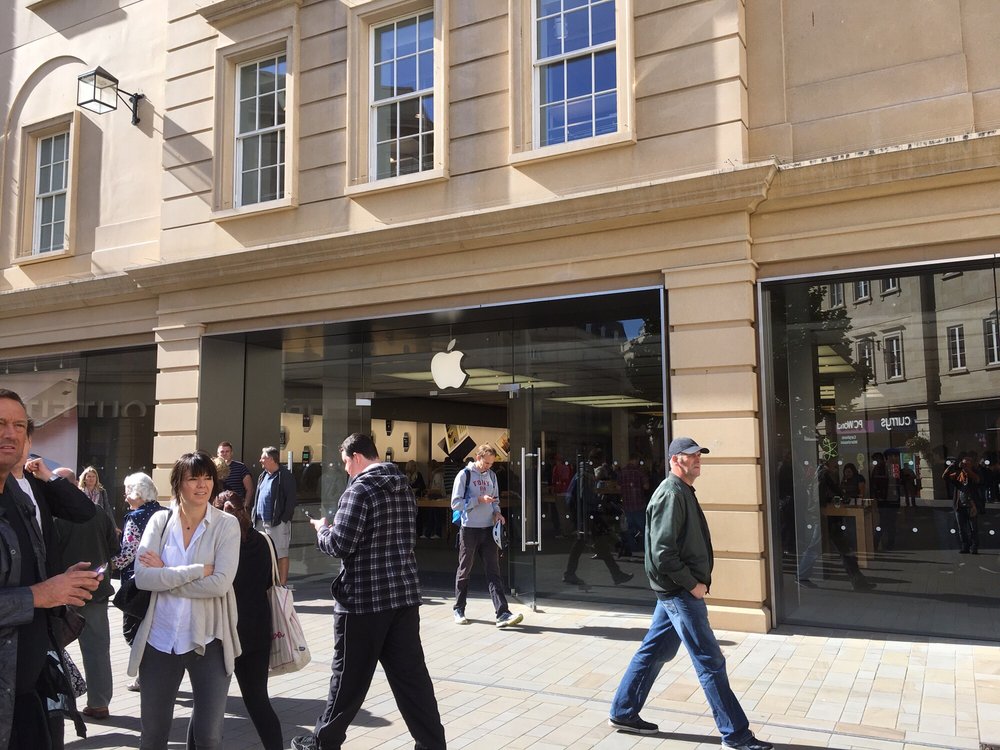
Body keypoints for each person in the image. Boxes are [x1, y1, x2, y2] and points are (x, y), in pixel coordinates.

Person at [608, 437, 773, 750]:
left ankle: (623, 711)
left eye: (699, 455)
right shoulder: (671, 494)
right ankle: (736, 735)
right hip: (680, 593)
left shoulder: (682, 491)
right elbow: (663, 553)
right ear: (674, 460)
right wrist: (692, 584)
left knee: (655, 650)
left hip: (675, 591)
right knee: (710, 660)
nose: (698, 460)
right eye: (690, 456)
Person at [293, 433, 445, 750]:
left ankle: (324, 741)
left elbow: (340, 545)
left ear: (358, 457)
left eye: (347, 463)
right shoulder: (402, 485)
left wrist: (323, 529)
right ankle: (432, 744)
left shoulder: (359, 489)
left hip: (363, 599)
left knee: (348, 677)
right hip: (402, 595)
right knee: (412, 679)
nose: (347, 470)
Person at [0, 388, 102, 748]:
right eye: (0, 424)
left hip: (30, 681)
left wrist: (61, 583)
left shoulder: (26, 491)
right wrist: (42, 594)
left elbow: (85, 512)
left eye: (18, 426)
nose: (10, 434)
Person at [128, 451, 241, 750]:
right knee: (152, 735)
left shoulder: (226, 525)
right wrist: (193, 572)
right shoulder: (159, 522)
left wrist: (165, 575)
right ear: (179, 483)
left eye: (207, 479)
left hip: (209, 640)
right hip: (160, 639)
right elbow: (142, 578)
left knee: (208, 737)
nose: (202, 486)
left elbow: (220, 584)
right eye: (194, 478)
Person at [195, 494, 281, 750]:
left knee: (206, 706)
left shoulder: (216, 545)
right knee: (258, 701)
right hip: (257, 632)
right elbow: (268, 583)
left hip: (222, 633)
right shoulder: (265, 541)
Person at [51, 480, 120, 722]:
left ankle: (54, 704)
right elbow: (114, 546)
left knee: (53, 647)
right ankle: (99, 703)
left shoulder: (52, 516)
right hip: (95, 590)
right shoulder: (98, 513)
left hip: (60, 592)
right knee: (97, 649)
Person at [451, 444, 523, 627]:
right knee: (464, 568)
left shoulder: (492, 476)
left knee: (494, 571)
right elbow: (455, 503)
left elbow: (495, 500)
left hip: (488, 528)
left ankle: (503, 613)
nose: (488, 466)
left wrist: (497, 513)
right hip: (469, 528)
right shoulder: (464, 475)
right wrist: (478, 500)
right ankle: (459, 609)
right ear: (478, 457)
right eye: (486, 462)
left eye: (491, 464)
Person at [111, 472, 166, 693]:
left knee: (133, 630)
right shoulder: (166, 512)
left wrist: (108, 563)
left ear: (137, 492)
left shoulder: (135, 517)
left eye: (127, 491)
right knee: (155, 628)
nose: (125, 496)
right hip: (162, 577)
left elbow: (127, 554)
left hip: (137, 582)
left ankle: (146, 677)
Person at [251, 446, 297, 586]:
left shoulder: (284, 475)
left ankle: (281, 585)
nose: (261, 460)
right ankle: (265, 581)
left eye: (263, 457)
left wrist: (284, 519)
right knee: (262, 553)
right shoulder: (263, 475)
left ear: (271, 459)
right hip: (260, 522)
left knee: (280, 553)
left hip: (276, 522)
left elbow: (291, 499)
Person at [78, 466, 118, 532]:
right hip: (84, 524)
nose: (91, 479)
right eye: (89, 476)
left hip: (99, 524)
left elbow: (107, 509)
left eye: (93, 476)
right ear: (84, 479)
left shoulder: (102, 492)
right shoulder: (79, 492)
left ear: (96, 478)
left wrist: (114, 526)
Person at [217, 441, 253, 506]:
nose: (224, 454)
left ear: (231, 453)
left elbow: (249, 489)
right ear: (218, 454)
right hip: (218, 507)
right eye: (222, 452)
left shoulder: (241, 467)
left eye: (227, 451)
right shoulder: (214, 468)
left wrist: (245, 505)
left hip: (236, 507)